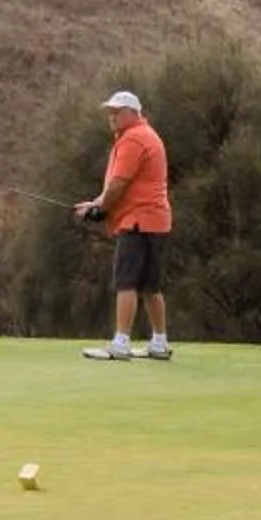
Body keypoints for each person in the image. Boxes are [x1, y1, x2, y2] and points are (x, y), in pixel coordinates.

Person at [76, 89, 173, 361]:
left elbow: (119, 185)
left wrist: (100, 209)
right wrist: (95, 204)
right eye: (111, 112)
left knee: (126, 282)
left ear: (133, 113)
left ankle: (120, 343)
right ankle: (159, 342)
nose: (112, 117)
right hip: (156, 220)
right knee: (151, 285)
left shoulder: (134, 139)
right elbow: (117, 187)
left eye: (117, 112)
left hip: (138, 221)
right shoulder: (147, 135)